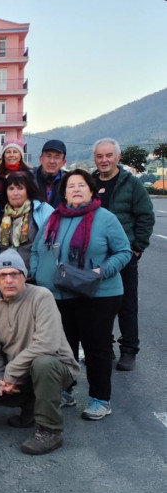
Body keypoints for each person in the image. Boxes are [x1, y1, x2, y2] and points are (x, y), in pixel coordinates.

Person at [31, 169, 131, 420]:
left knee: (96, 348)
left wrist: (102, 270)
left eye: (81, 185)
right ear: (63, 192)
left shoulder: (105, 218)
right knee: (63, 348)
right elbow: (36, 249)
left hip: (98, 294)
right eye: (70, 185)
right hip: (57, 294)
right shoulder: (53, 218)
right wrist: (36, 272)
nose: (76, 189)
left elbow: (123, 251)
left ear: (91, 189)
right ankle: (65, 391)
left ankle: (100, 399)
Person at [0, 250, 77, 456]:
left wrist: (11, 372)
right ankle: (30, 406)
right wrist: (0, 378)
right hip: (18, 371)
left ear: (24, 276)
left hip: (55, 367)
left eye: (15, 274)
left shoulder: (41, 296)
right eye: (3, 275)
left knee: (43, 364)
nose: (9, 280)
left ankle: (50, 430)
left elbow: (47, 344)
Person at [91, 137, 154, 372]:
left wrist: (137, 248)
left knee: (126, 305)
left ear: (118, 157)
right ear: (95, 159)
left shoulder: (131, 183)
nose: (104, 160)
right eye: (99, 156)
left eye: (109, 155)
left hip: (125, 255)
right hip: (96, 257)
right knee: (98, 304)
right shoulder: (90, 183)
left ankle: (128, 350)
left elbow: (146, 216)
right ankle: (104, 348)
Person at [0, 171, 53, 283]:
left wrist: (40, 275)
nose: (15, 193)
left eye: (20, 188)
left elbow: (51, 246)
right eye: (11, 189)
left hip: (35, 280)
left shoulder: (43, 210)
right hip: (5, 280)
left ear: (28, 191)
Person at [32, 139, 67, 208]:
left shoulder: (68, 180)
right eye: (48, 156)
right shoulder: (29, 178)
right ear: (41, 159)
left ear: (63, 162)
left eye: (57, 157)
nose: (52, 161)